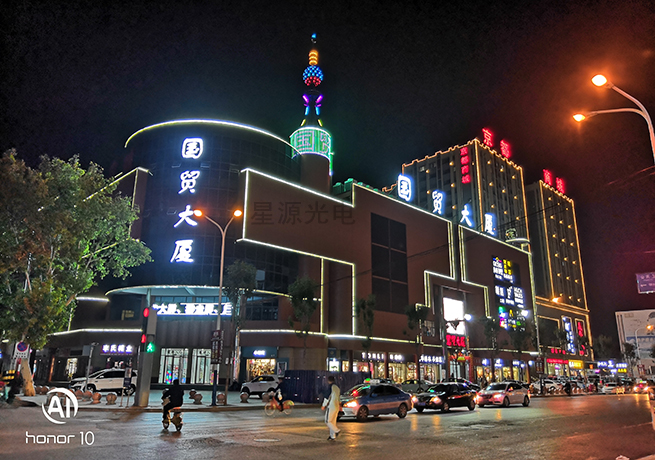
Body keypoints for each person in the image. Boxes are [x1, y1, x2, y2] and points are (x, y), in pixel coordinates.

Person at [322, 375, 341, 441]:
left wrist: (323, 405)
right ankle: (332, 436)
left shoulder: (330, 387)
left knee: (328, 421)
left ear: (328, 381)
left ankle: (337, 430)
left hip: (331, 406)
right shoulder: (337, 388)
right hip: (336, 406)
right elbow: (338, 397)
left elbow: (327, 397)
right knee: (333, 422)